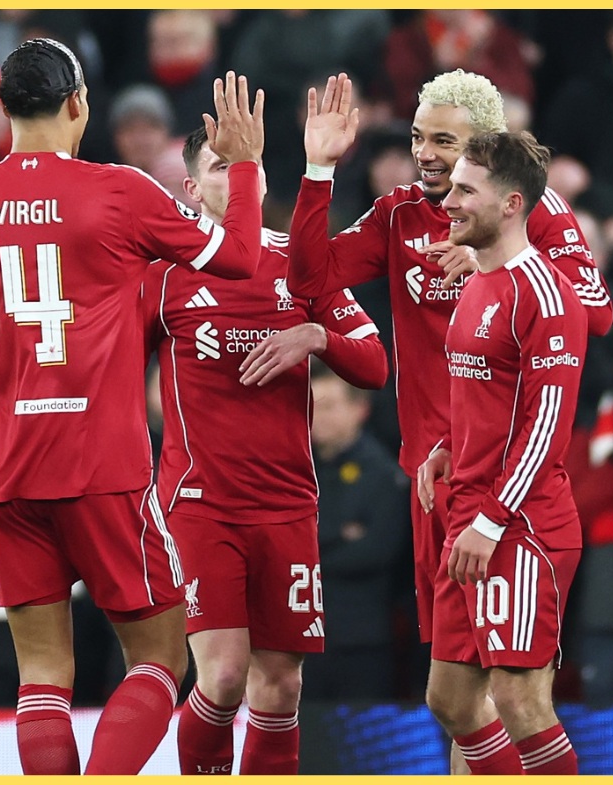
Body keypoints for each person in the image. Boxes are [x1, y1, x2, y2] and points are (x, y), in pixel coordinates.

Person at [0, 39, 265, 775]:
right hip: (103, 462)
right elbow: (241, 260)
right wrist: (247, 166)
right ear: (78, 104)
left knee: (41, 674)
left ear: (3, 109)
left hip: (5, 470)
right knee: (160, 658)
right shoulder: (122, 191)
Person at [289, 70, 611, 774]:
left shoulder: (537, 214)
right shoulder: (399, 213)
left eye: (444, 140)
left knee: (516, 691)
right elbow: (308, 278)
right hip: (433, 472)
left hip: (509, 484)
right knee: (455, 694)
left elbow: (594, 314)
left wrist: (498, 257)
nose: (427, 155)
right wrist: (318, 170)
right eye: (417, 138)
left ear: (486, 154)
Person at [151, 124, 388, 775]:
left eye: (242, 165)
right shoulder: (163, 274)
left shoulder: (299, 264)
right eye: (217, 167)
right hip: (202, 502)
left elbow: (373, 364)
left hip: (286, 506)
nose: (232, 178)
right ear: (191, 188)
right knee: (224, 675)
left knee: (280, 685)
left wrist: (315, 335)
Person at [417, 130, 586, 774]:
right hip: (469, 514)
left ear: (512, 204)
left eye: (465, 190)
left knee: (519, 696)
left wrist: (491, 520)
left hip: (520, 525)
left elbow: (547, 423)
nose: (448, 201)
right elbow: (490, 402)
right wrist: (445, 446)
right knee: (452, 699)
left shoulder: (543, 293)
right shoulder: (477, 284)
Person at [302, 360, 409, 702]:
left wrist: (312, 542)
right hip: (303, 636)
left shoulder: (384, 474)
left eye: (330, 406)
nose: (320, 417)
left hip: (361, 641)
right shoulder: (295, 470)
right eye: (313, 408)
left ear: (359, 409)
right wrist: (341, 532)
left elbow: (377, 551)